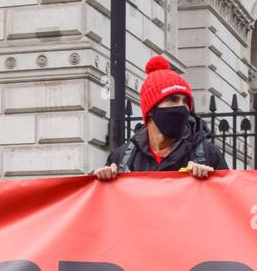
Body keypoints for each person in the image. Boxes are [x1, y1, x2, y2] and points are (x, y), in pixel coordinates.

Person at [94, 56, 229, 181]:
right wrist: (103, 180)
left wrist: (211, 180)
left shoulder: (208, 154)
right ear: (151, 110)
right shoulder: (122, 157)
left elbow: (228, 200)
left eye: (185, 101)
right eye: (173, 100)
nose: (182, 107)